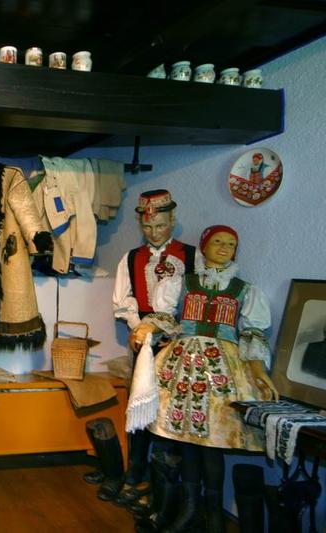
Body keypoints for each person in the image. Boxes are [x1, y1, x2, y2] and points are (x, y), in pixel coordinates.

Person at [133, 225, 278, 532]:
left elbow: (252, 332)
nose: (225, 248)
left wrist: (258, 371)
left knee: (212, 441)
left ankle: (213, 514)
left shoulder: (244, 289)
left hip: (221, 370)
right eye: (218, 242)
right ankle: (190, 508)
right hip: (181, 367)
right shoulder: (182, 282)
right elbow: (165, 318)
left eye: (231, 244)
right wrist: (147, 328)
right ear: (204, 246)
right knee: (187, 441)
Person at [110, 190, 199, 514]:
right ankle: (135, 471)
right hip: (143, 340)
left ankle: (164, 484)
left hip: (178, 341)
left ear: (172, 220)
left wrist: (166, 329)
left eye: (160, 225)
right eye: (148, 227)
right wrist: (139, 327)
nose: (154, 232)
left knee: (169, 408)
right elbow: (123, 299)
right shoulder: (132, 257)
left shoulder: (192, 256)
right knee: (139, 402)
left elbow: (196, 300)